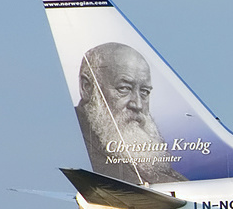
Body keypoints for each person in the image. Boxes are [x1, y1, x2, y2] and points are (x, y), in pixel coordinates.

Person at [74, 42, 185, 183]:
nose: (137, 104)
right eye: (124, 88)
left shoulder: (142, 160)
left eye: (144, 92)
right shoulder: (76, 147)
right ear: (87, 87)